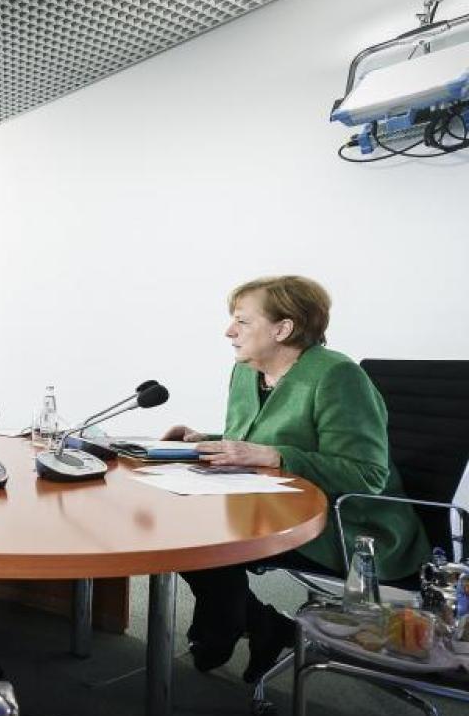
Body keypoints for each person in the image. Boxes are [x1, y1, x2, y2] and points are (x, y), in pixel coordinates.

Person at [164, 275, 427, 682]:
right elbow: (256, 440)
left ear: (283, 329)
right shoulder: (247, 371)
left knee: (202, 538)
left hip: (348, 523)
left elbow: (367, 474)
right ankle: (260, 624)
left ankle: (231, 625)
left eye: (242, 321)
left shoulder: (337, 376)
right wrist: (206, 441)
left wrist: (276, 456)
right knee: (177, 522)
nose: (229, 331)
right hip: (267, 504)